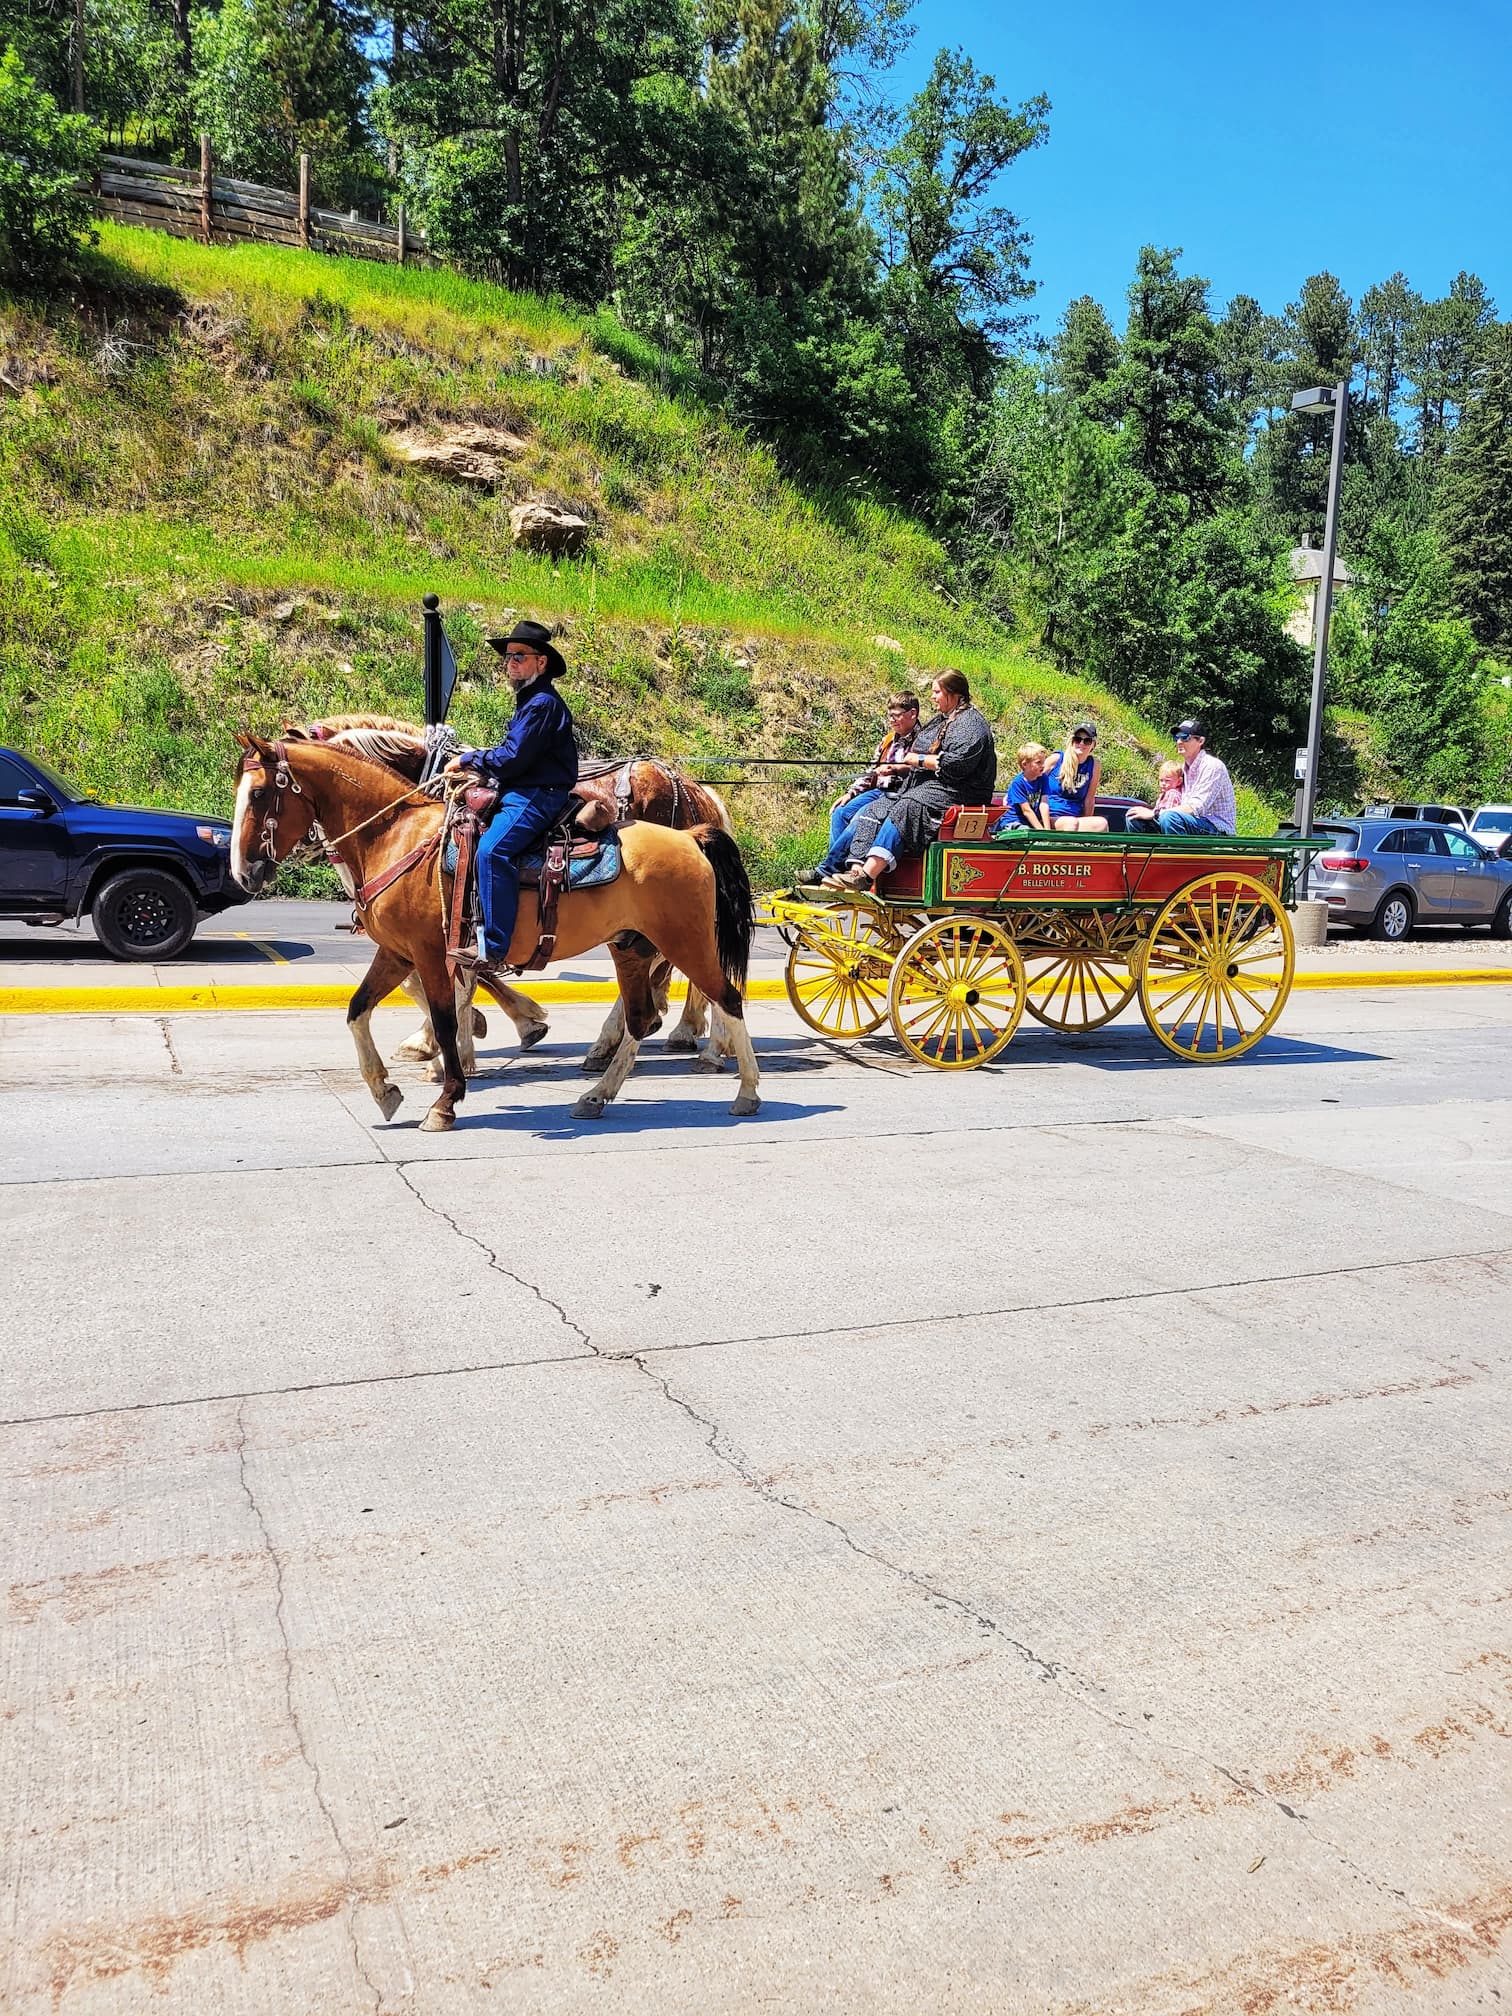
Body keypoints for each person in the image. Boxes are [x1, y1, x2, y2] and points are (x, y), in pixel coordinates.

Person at [443, 619, 579, 964]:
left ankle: (494, 947)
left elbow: (513, 757)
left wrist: (469, 759)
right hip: (524, 788)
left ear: (541, 662)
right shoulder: (531, 701)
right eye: (507, 657)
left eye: (519, 656)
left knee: (491, 850)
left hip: (538, 794)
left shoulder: (542, 705)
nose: (510, 663)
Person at [824, 670, 997, 888]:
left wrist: (919, 759)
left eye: (936, 692)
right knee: (876, 808)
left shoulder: (971, 724)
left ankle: (868, 875)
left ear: (953, 693)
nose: (932, 697)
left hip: (961, 791)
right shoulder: (942, 720)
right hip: (930, 787)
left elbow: (956, 765)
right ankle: (853, 869)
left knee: (907, 805)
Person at [802, 692, 920, 884]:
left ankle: (830, 869)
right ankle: (840, 869)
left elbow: (920, 771)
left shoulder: (922, 740)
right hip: (878, 791)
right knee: (840, 812)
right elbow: (871, 771)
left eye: (896, 715)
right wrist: (850, 793)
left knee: (861, 816)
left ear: (912, 714)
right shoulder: (888, 740)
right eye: (889, 716)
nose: (891, 720)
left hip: (901, 794)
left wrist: (896, 769)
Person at [1124, 718, 1237, 836]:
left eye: (1185, 737)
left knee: (1169, 818)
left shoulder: (1213, 766)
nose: (1179, 742)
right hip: (1188, 822)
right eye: (1176, 737)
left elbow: (1196, 807)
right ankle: (1146, 854)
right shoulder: (1182, 770)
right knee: (1135, 818)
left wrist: (1156, 813)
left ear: (1200, 741)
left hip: (1216, 828)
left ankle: (1178, 853)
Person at [1043, 723, 1108, 832]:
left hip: (1076, 818)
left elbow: (1089, 799)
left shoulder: (1094, 765)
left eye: (1087, 741)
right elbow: (1030, 779)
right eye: (1078, 739)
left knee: (1101, 824)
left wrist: (1088, 822)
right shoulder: (1057, 759)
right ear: (1072, 742)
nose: (1081, 743)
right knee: (1071, 823)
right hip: (1051, 816)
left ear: (1093, 745)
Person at [993, 743, 1055, 833]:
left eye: (1043, 761)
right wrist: (1041, 831)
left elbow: (1044, 805)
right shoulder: (1018, 783)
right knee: (1025, 831)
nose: (1043, 765)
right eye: (1038, 762)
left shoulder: (1043, 778)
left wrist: (1047, 830)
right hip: (1013, 822)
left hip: (1030, 823)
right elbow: (1027, 811)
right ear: (1025, 764)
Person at [1122, 760, 1186, 826]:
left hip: (1162, 823)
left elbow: (1166, 815)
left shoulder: (1172, 794)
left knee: (1134, 819)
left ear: (1179, 781)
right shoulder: (1164, 794)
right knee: (1134, 815)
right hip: (1159, 819)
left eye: (1167, 781)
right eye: (1161, 780)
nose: (1163, 784)